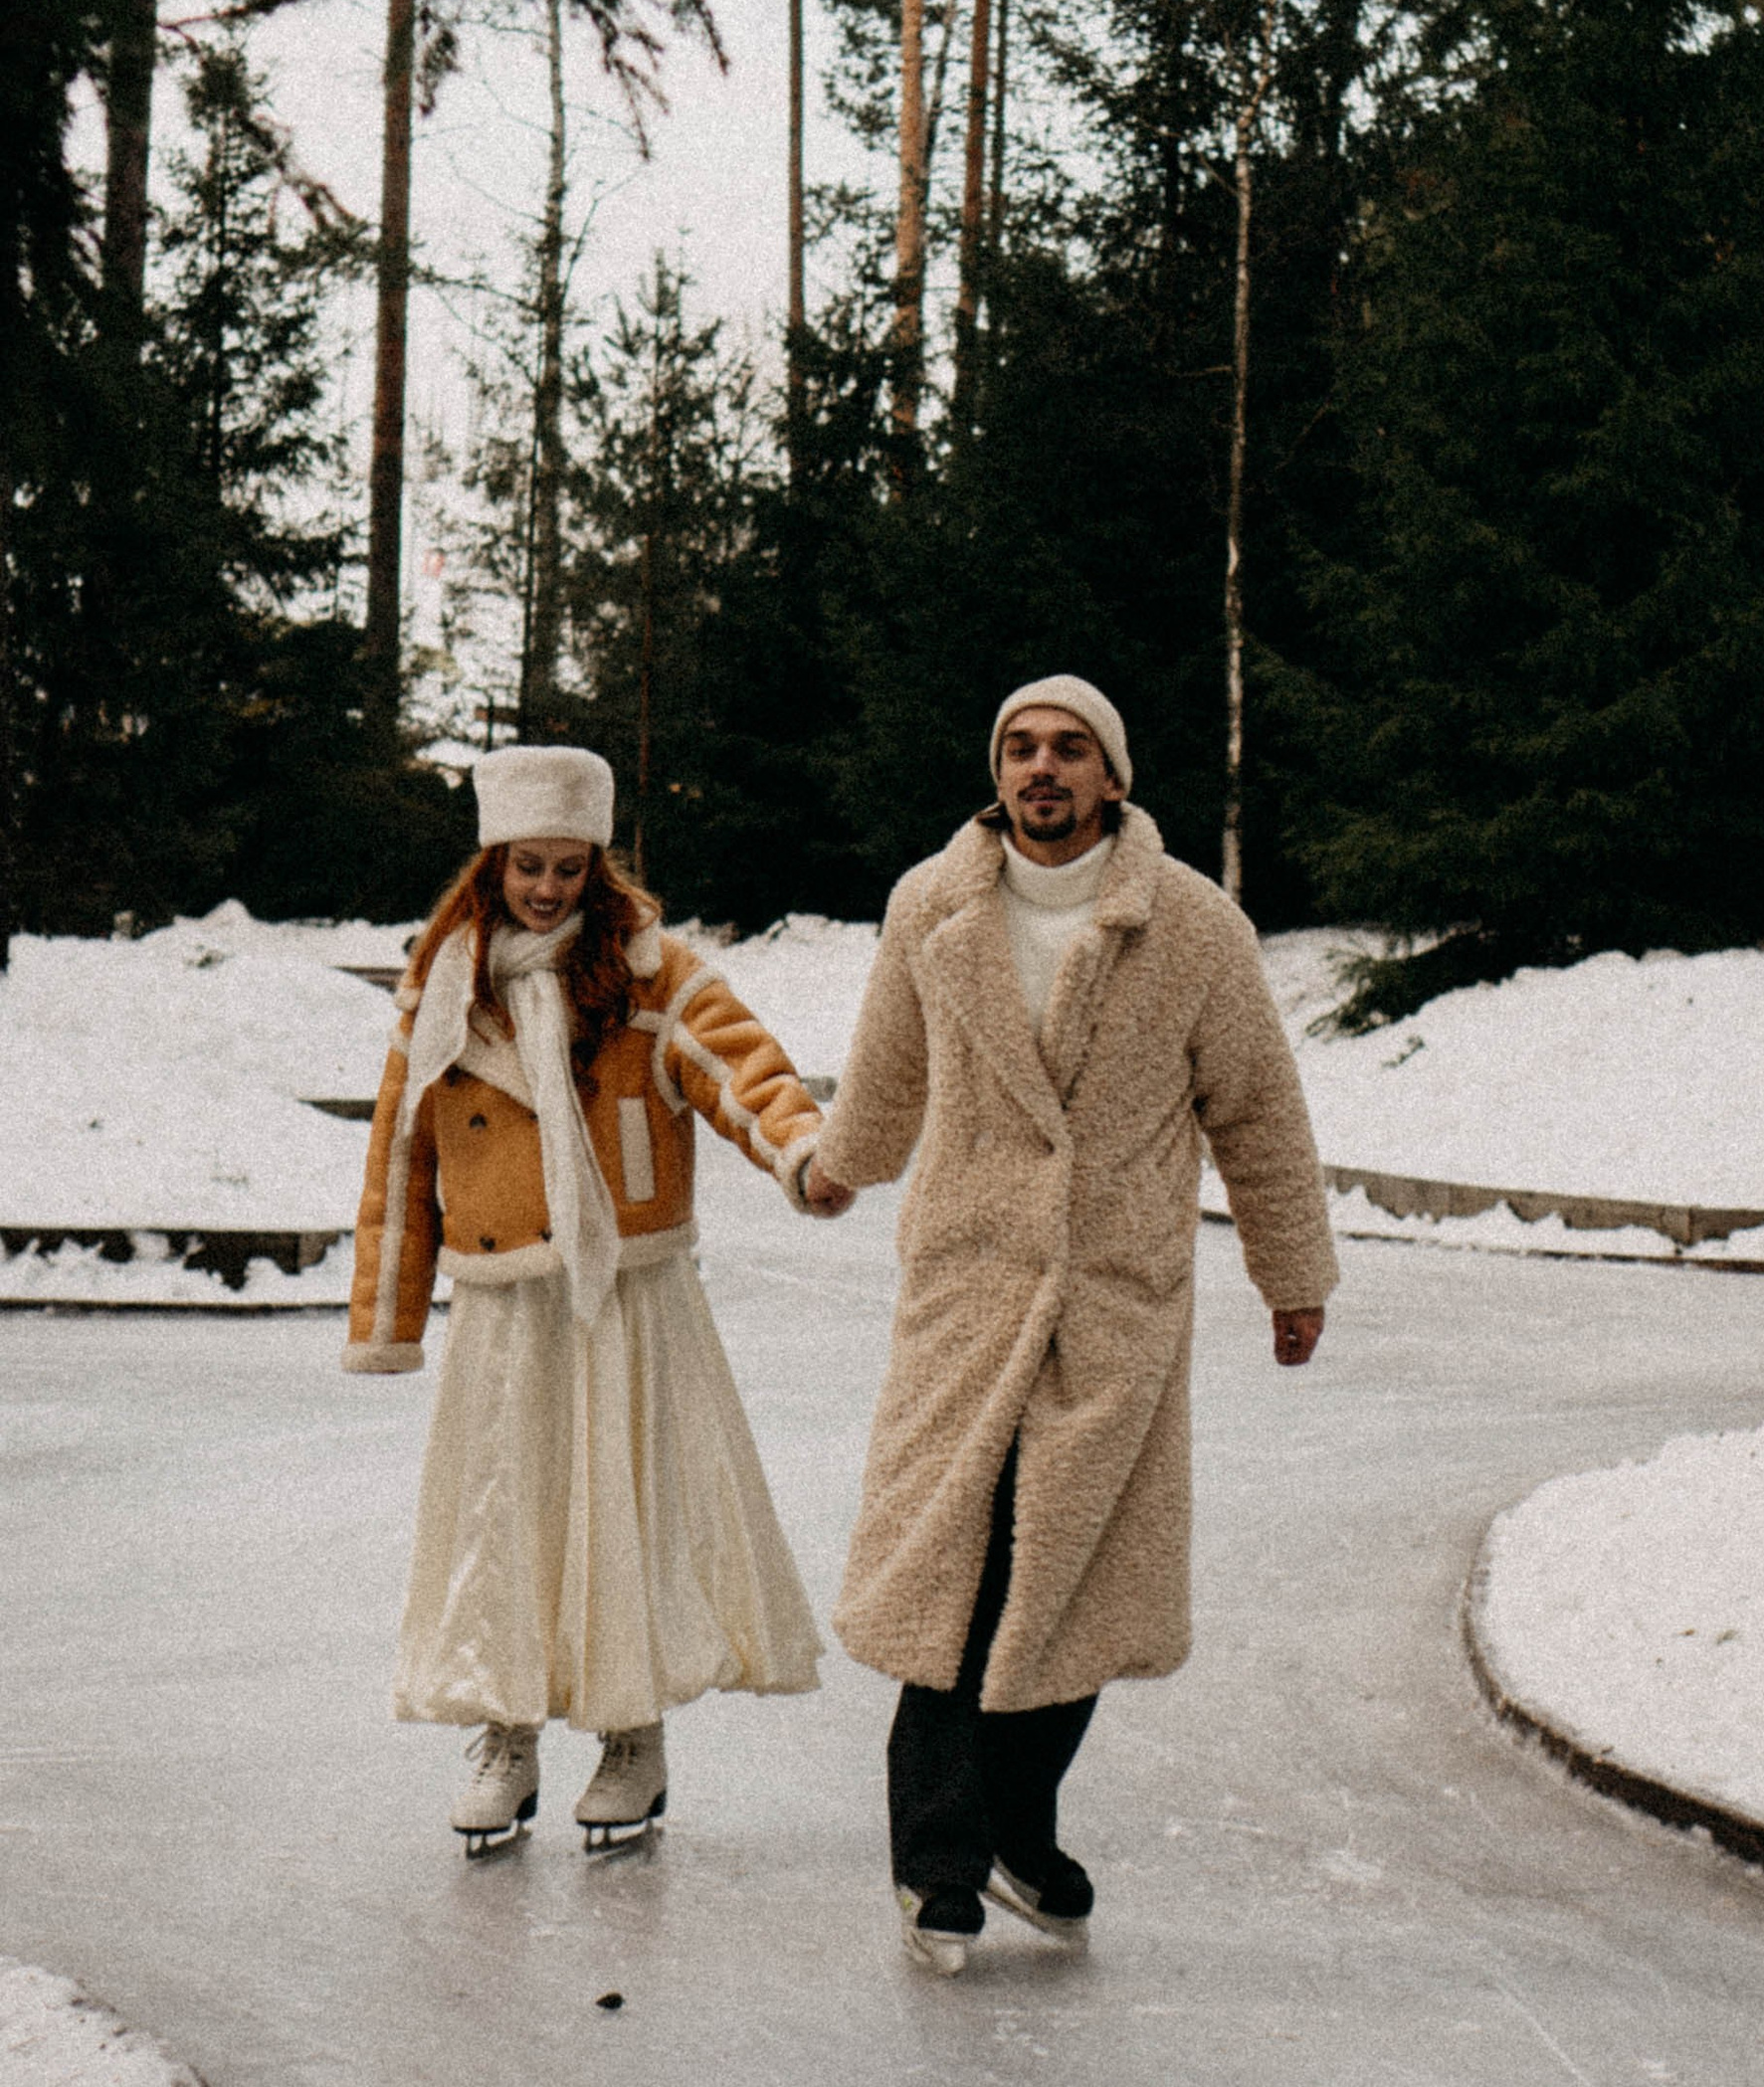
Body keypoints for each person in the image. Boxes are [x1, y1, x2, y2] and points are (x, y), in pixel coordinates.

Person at [803, 673, 1336, 1973]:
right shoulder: (933, 906)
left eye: (1070, 750)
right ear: (1001, 770)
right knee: (956, 1570)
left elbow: (1256, 1112)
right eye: (1023, 748)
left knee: (1079, 1575)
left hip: (1115, 1295)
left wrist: (1293, 1274)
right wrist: (833, 1167)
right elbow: (886, 1080)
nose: (1043, 768)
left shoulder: (1192, 929)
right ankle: (938, 1860)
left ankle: (1017, 1827)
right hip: (969, 1285)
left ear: (1112, 777)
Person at [345, 745, 830, 1852]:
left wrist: (801, 1153)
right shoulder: (444, 983)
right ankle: (506, 1733)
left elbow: (744, 1068)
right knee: (501, 1516)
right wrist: (388, 1314)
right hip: (506, 1301)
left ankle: (633, 1735)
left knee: (623, 1512)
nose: (549, 889)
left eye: (569, 868)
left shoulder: (653, 972)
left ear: (597, 867)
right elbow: (402, 1151)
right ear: (494, 863)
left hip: (626, 1295)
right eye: (529, 866)